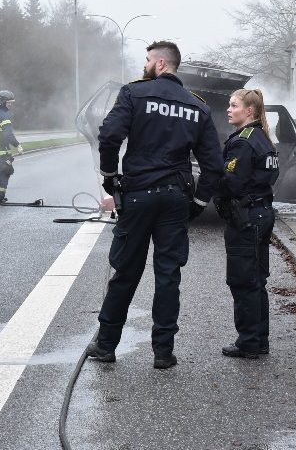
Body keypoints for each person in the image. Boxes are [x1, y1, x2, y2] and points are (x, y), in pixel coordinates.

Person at [87, 41, 223, 369]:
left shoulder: (134, 94)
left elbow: (109, 136)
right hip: (176, 199)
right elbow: (214, 165)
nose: (144, 64)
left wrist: (110, 176)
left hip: (137, 196)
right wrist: (199, 202)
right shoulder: (198, 107)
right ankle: (163, 352)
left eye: (147, 60)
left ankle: (106, 345)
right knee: (168, 275)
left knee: (125, 272)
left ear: (160, 63)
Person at [215, 89, 279, 359]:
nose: (229, 110)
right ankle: (259, 339)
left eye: (234, 105)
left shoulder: (243, 142)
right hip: (262, 213)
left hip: (247, 217)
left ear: (249, 111)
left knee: (243, 281)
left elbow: (232, 182)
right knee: (256, 279)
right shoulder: (262, 138)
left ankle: (249, 341)